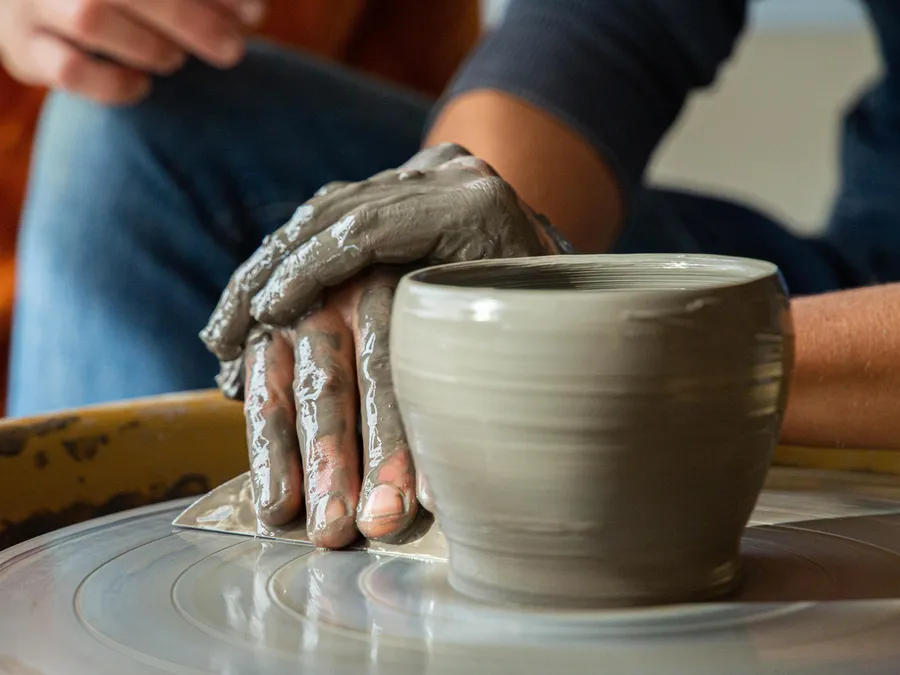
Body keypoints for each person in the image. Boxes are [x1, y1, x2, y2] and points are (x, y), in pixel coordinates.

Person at [2, 0, 899, 548]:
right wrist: (452, 220)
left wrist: (695, 356)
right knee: (138, 138)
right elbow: (617, 24)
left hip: (837, 346)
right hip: (862, 265)